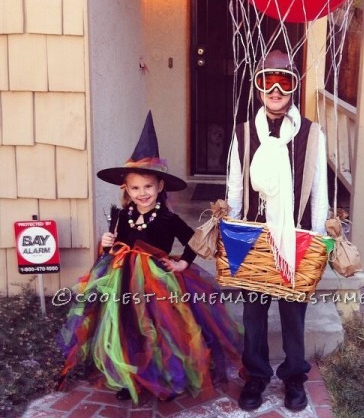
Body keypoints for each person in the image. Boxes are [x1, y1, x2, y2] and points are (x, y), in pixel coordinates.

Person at [58, 111, 242, 404]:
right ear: (126, 190)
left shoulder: (168, 218)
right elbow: (116, 245)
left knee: (159, 332)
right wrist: (107, 243)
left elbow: (193, 240)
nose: (142, 193)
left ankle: (164, 376)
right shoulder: (123, 214)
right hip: (123, 282)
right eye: (135, 188)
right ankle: (128, 377)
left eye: (148, 187)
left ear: (160, 187)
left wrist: (183, 263)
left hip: (157, 283)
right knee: (127, 328)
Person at [227, 50, 329, 412]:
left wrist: (319, 242)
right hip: (254, 236)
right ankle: (256, 376)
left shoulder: (312, 134)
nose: (275, 90)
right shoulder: (243, 133)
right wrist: (232, 236)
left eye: (283, 82)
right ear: (257, 88)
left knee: (292, 313)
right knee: (253, 315)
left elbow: (319, 192)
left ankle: (294, 377)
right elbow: (235, 189)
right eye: (266, 81)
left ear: (293, 89)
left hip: (297, 237)